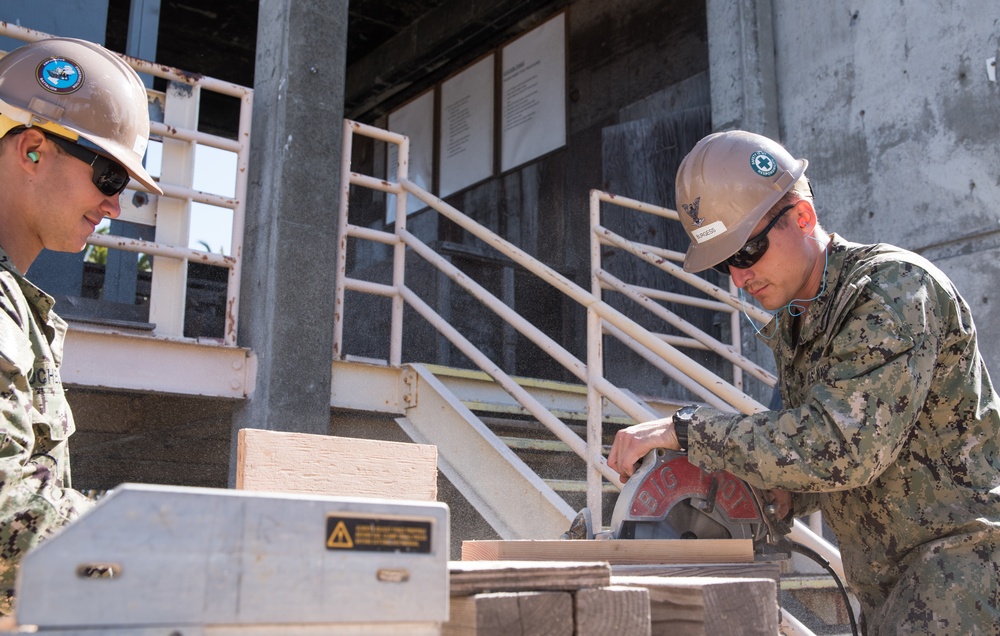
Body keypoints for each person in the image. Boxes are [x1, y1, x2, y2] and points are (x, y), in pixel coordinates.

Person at [606, 130, 1000, 635]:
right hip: (899, 592)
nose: (738, 278)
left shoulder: (892, 290)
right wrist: (787, 495)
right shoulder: (805, 323)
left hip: (967, 581)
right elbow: (854, 464)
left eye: (746, 252)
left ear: (802, 218)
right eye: (725, 263)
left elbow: (843, 448)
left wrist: (685, 431)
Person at [0, 37, 162, 615]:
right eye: (109, 176)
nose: (115, 206)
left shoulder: (19, 305)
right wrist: (167, 549)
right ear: (35, 149)